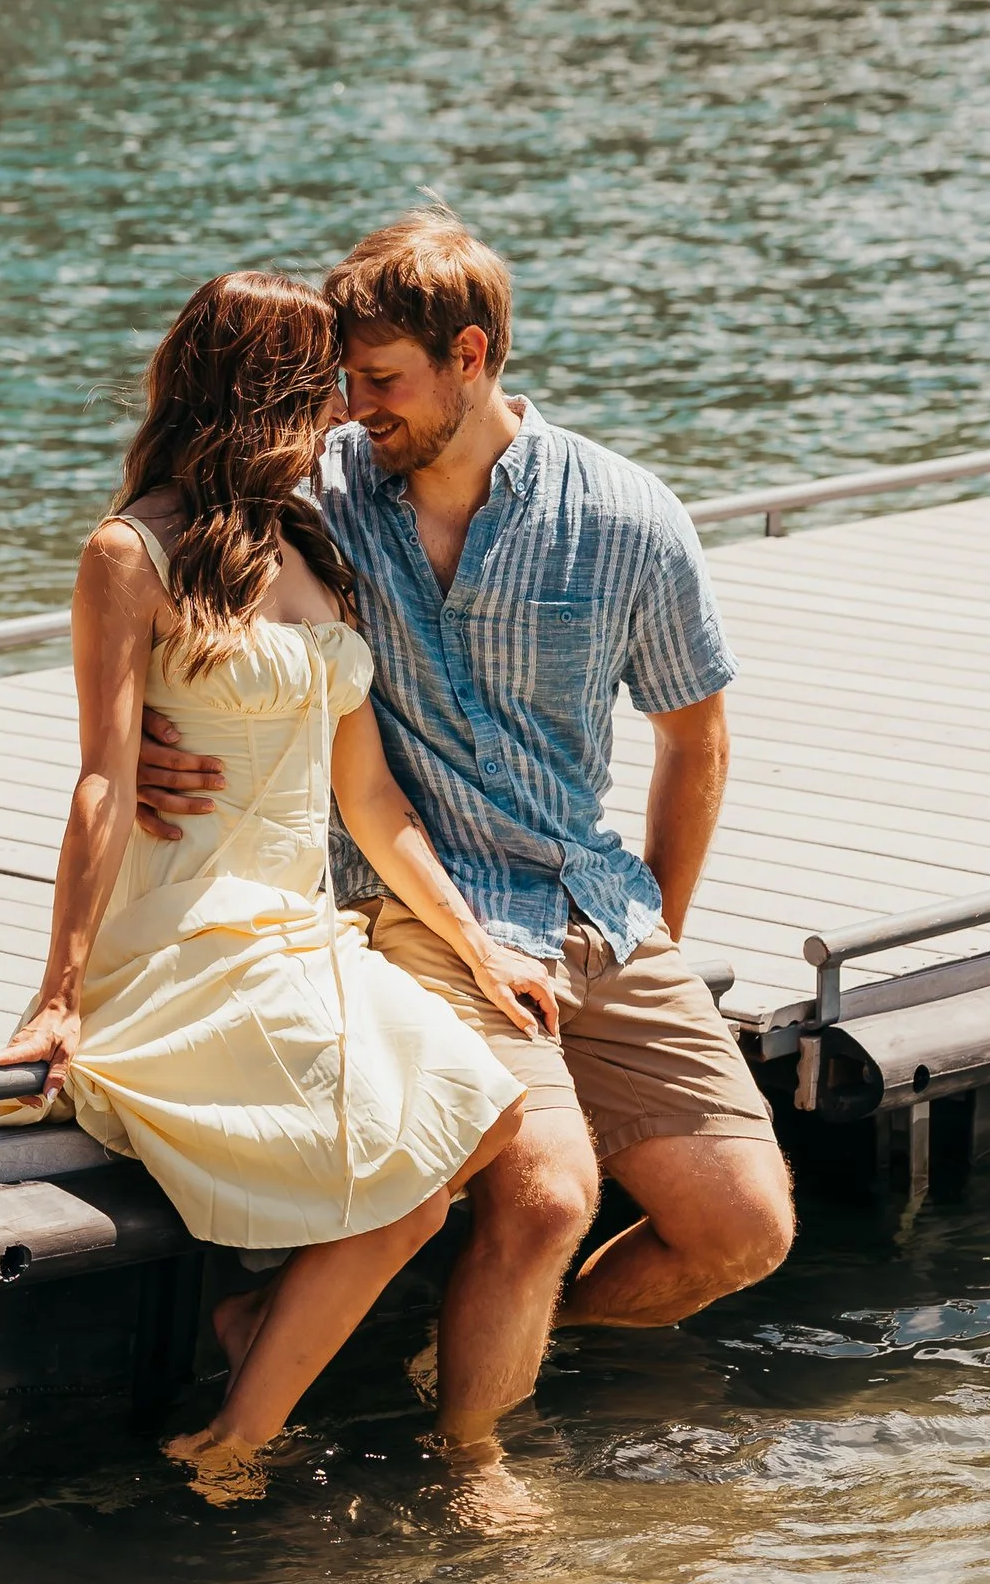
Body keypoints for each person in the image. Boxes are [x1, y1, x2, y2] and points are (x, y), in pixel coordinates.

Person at [136, 210, 795, 1456]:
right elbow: (155, 546)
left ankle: (461, 1349)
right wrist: (135, 741)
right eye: (343, 381)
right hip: (412, 905)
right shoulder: (317, 489)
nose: (352, 407)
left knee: (742, 1231)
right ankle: (471, 1454)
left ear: (473, 355)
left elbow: (694, 739)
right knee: (548, 1198)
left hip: (593, 906)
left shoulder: (625, 517)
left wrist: (655, 935)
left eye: (380, 381)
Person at [0, 268, 553, 1502]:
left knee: (481, 1121)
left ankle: (248, 1358)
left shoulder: (309, 544)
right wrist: (58, 993)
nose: (349, 409)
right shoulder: (131, 553)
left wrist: (476, 943)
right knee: (408, 1163)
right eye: (328, 385)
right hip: (185, 939)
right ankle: (232, 1442)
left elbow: (372, 799)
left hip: (305, 928)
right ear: (267, 394)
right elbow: (98, 782)